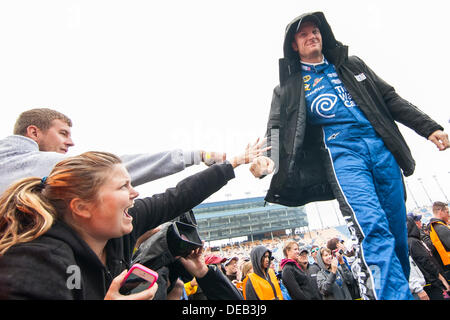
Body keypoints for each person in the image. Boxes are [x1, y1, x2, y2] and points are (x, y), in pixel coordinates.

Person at [259, 11, 449, 300]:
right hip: (343, 156)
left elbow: (390, 97)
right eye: (303, 34)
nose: (312, 35)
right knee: (372, 228)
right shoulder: (288, 88)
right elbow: (276, 127)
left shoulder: (351, 64)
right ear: (294, 46)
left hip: (383, 150)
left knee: (397, 234)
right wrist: (266, 161)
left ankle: (402, 291)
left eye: (315, 31)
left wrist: (428, 126)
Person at [0, 139, 267, 299]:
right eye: (122, 187)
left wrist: (233, 163)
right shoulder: (35, 263)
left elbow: (177, 197)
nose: (135, 193)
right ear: (82, 206)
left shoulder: (120, 231)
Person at [0, 108, 228, 194]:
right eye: (63, 133)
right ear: (33, 132)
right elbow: (112, 169)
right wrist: (195, 156)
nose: (71, 143)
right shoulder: (39, 165)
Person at [406, 216, 449, 299]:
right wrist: (442, 279)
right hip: (433, 283)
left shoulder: (410, 242)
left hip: (428, 283)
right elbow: (426, 262)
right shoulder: (413, 242)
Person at [428, 201, 450, 281]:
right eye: (447, 212)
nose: (449, 215)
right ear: (440, 211)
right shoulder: (440, 227)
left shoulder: (433, 227)